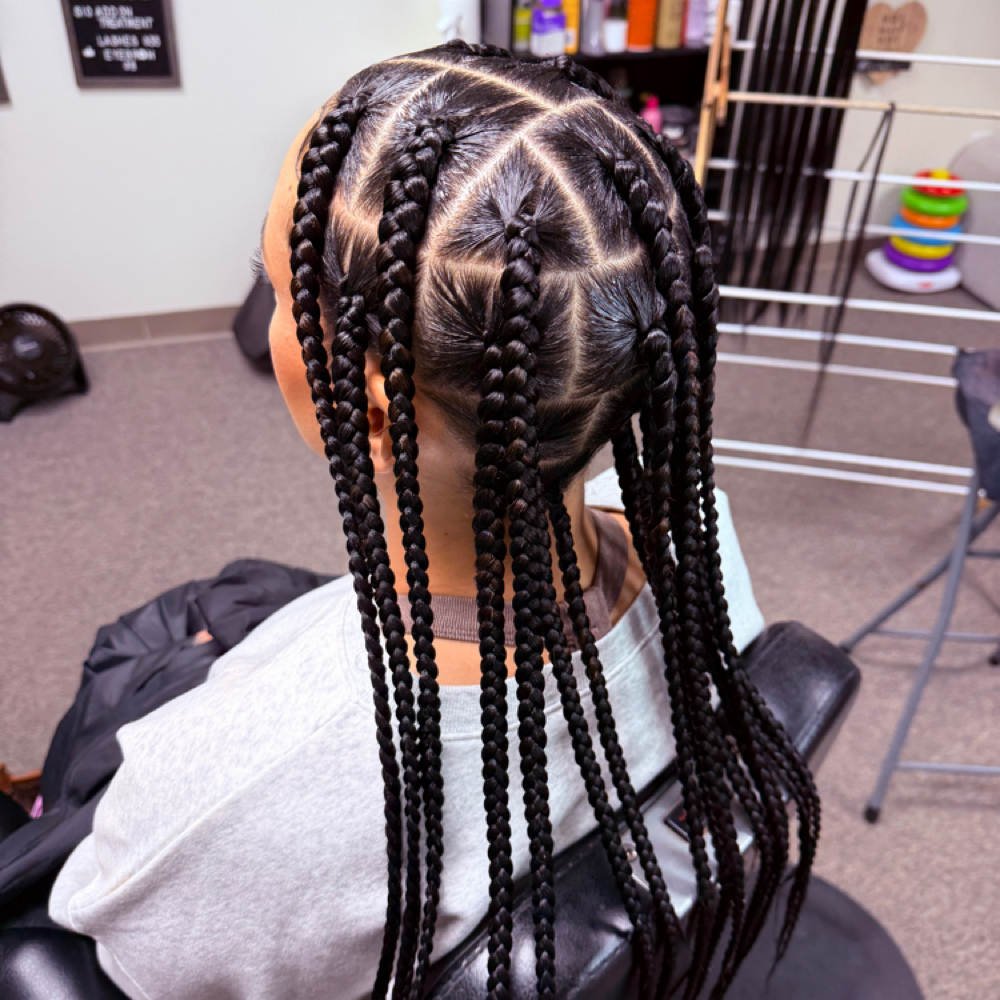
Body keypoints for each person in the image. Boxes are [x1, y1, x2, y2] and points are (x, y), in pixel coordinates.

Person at [48, 42, 819, 1000]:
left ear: (371, 408)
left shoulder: (237, 794)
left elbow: (98, 943)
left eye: (275, 280)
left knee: (149, 641)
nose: (267, 299)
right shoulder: (703, 536)